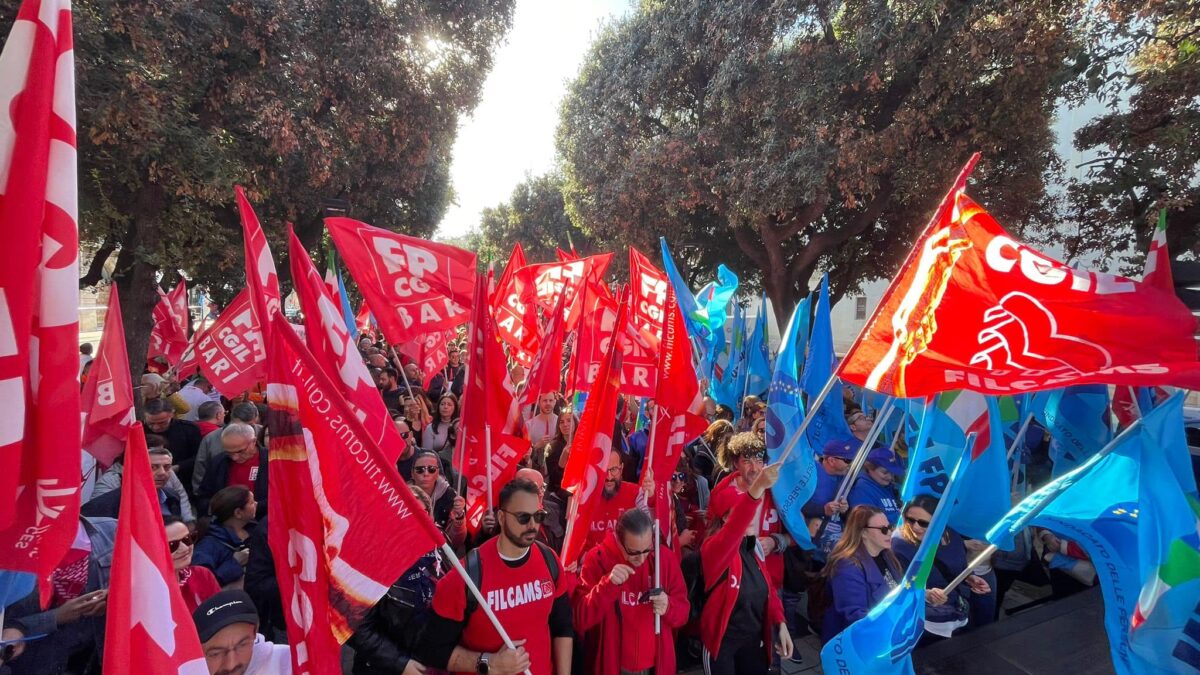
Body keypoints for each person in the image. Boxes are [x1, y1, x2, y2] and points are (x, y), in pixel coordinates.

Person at [422, 478, 574, 675]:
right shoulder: (465, 576)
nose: (532, 525)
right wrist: (490, 663)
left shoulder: (549, 560)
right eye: (523, 517)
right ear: (501, 518)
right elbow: (433, 650)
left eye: (538, 516)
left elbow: (562, 627)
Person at [699, 462, 792, 674]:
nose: (751, 516)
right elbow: (736, 525)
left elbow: (768, 589)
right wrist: (757, 487)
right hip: (722, 645)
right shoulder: (714, 550)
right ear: (725, 517)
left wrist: (780, 622)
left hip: (753, 641)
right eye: (742, 510)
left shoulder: (754, 548)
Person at [574, 508, 690, 675]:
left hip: (655, 665)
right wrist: (606, 586)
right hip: (612, 664)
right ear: (618, 540)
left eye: (647, 549)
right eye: (633, 552)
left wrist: (668, 606)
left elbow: (683, 612)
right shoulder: (597, 559)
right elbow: (580, 618)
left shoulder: (664, 559)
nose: (641, 559)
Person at [0, 517, 115, 674]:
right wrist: (56, 617)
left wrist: (114, 598)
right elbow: (10, 629)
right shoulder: (10, 552)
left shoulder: (113, 532)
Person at [350, 485, 443, 674]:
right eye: (405, 513)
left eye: (421, 513)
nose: (413, 520)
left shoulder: (439, 549)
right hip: (383, 669)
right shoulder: (369, 558)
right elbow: (355, 626)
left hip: (430, 661)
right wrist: (401, 664)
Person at [891, 496, 991, 641]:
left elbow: (959, 566)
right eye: (910, 520)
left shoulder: (952, 535)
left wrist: (969, 578)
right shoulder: (900, 544)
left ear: (939, 521)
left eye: (923, 523)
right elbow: (897, 585)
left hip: (956, 613)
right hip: (925, 622)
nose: (915, 527)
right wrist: (926, 595)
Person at [708, 433, 790, 589]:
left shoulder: (777, 493)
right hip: (732, 580)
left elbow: (797, 533)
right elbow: (710, 536)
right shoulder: (722, 495)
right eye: (747, 461)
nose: (754, 469)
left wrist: (776, 542)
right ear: (735, 463)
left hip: (769, 581)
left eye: (759, 461)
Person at [820, 506, 904, 642]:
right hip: (858, 643)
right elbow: (855, 616)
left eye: (890, 527)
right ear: (863, 532)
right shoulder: (847, 566)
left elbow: (898, 589)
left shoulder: (886, 555)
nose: (889, 532)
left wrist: (924, 595)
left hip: (887, 631)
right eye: (883, 529)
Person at [193, 589, 292, 675]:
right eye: (216, 654)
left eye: (242, 645)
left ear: (255, 632)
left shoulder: (289, 662)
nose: (231, 665)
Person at [82, 445, 190, 521]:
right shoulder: (103, 505)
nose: (162, 473)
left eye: (167, 467)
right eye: (153, 467)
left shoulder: (172, 496)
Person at [581, 450, 653, 555]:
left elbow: (650, 527)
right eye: (604, 470)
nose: (609, 477)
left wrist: (651, 498)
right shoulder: (584, 497)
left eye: (613, 469)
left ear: (621, 468)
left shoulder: (636, 493)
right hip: (593, 563)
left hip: (627, 562)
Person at [195, 423, 268, 519]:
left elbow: (281, 497)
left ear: (253, 441)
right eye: (229, 453)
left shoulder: (271, 461)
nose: (234, 457)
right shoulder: (219, 462)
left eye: (240, 451)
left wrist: (254, 507)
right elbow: (203, 496)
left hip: (262, 520)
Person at [193, 486, 258, 588]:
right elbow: (202, 583)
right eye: (251, 502)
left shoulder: (256, 530)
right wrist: (235, 563)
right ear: (238, 513)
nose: (256, 504)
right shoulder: (208, 545)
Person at [803, 439, 855, 560]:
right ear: (831, 460)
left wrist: (845, 510)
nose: (851, 464)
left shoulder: (846, 479)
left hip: (835, 547)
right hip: (810, 546)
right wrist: (823, 510)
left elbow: (848, 515)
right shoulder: (810, 473)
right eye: (847, 460)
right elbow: (795, 506)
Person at [194, 402, 261, 493]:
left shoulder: (263, 434)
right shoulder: (211, 439)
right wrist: (201, 496)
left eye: (251, 426)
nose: (234, 457)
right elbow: (200, 471)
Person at [411, 451, 467, 550]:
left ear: (437, 473)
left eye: (431, 469)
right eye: (420, 470)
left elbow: (455, 542)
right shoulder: (401, 495)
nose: (426, 474)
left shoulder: (450, 496)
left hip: (440, 552)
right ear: (412, 474)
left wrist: (459, 518)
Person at [143, 397, 204, 489]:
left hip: (183, 479)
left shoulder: (188, 429)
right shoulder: (140, 430)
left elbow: (199, 456)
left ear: (172, 415)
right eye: (151, 423)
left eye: (162, 423)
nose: (156, 427)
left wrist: (178, 467)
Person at [165, 516, 222, 612]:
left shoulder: (202, 574)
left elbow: (221, 613)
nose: (184, 548)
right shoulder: (149, 592)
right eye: (172, 546)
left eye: (187, 539)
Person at [846, 447, 904, 525]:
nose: (890, 477)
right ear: (870, 468)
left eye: (892, 473)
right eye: (885, 472)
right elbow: (867, 522)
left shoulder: (892, 487)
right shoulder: (861, 490)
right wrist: (902, 515)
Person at [543, 412, 577, 499]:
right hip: (559, 494)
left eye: (569, 421)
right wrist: (561, 463)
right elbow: (553, 478)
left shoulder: (583, 444)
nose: (565, 424)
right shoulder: (551, 447)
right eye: (561, 422)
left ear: (575, 423)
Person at [393, 415, 419, 482]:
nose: (401, 441)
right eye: (395, 436)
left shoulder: (427, 456)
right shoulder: (386, 463)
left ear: (411, 435)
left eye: (404, 435)